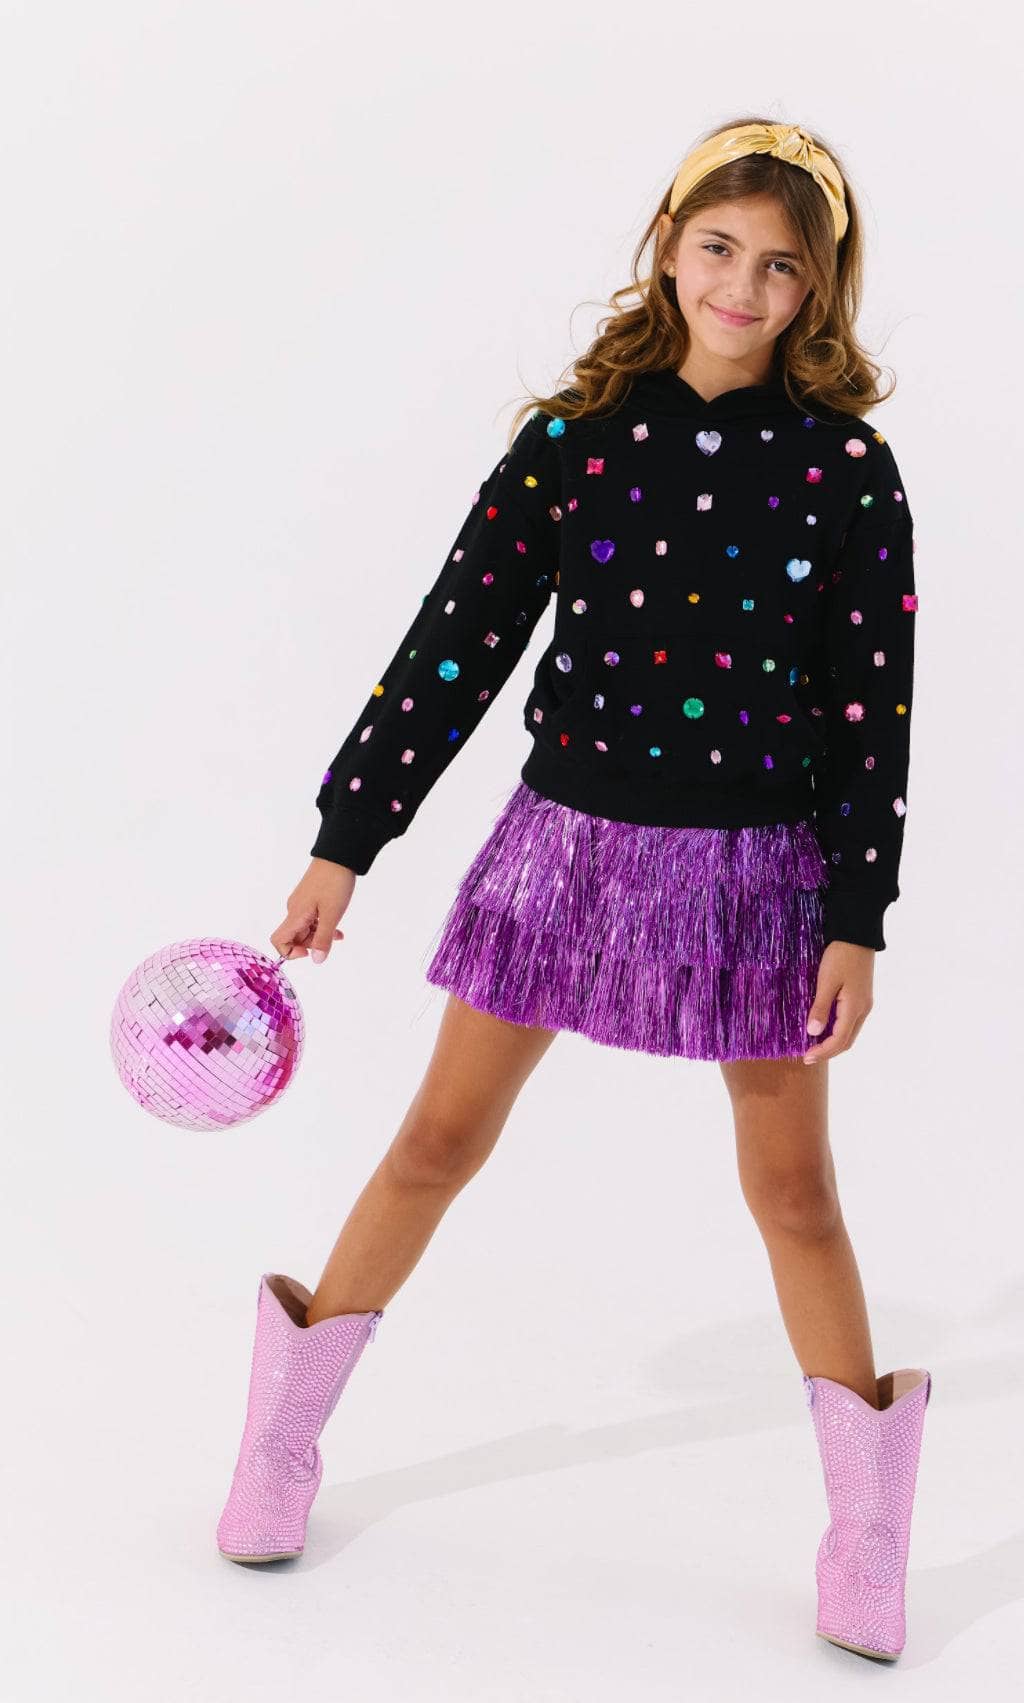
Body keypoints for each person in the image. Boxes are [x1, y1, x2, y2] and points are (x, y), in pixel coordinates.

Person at [216, 114, 932, 1663]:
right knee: (437, 1139)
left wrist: (854, 918)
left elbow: (870, 711)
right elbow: (455, 643)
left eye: (781, 268)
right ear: (668, 249)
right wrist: (349, 838)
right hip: (563, 854)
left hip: (758, 875)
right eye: (718, 248)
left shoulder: (846, 473)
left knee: (793, 1193)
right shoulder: (574, 441)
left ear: (818, 290)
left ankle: (866, 1534)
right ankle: (278, 1443)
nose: (741, 287)